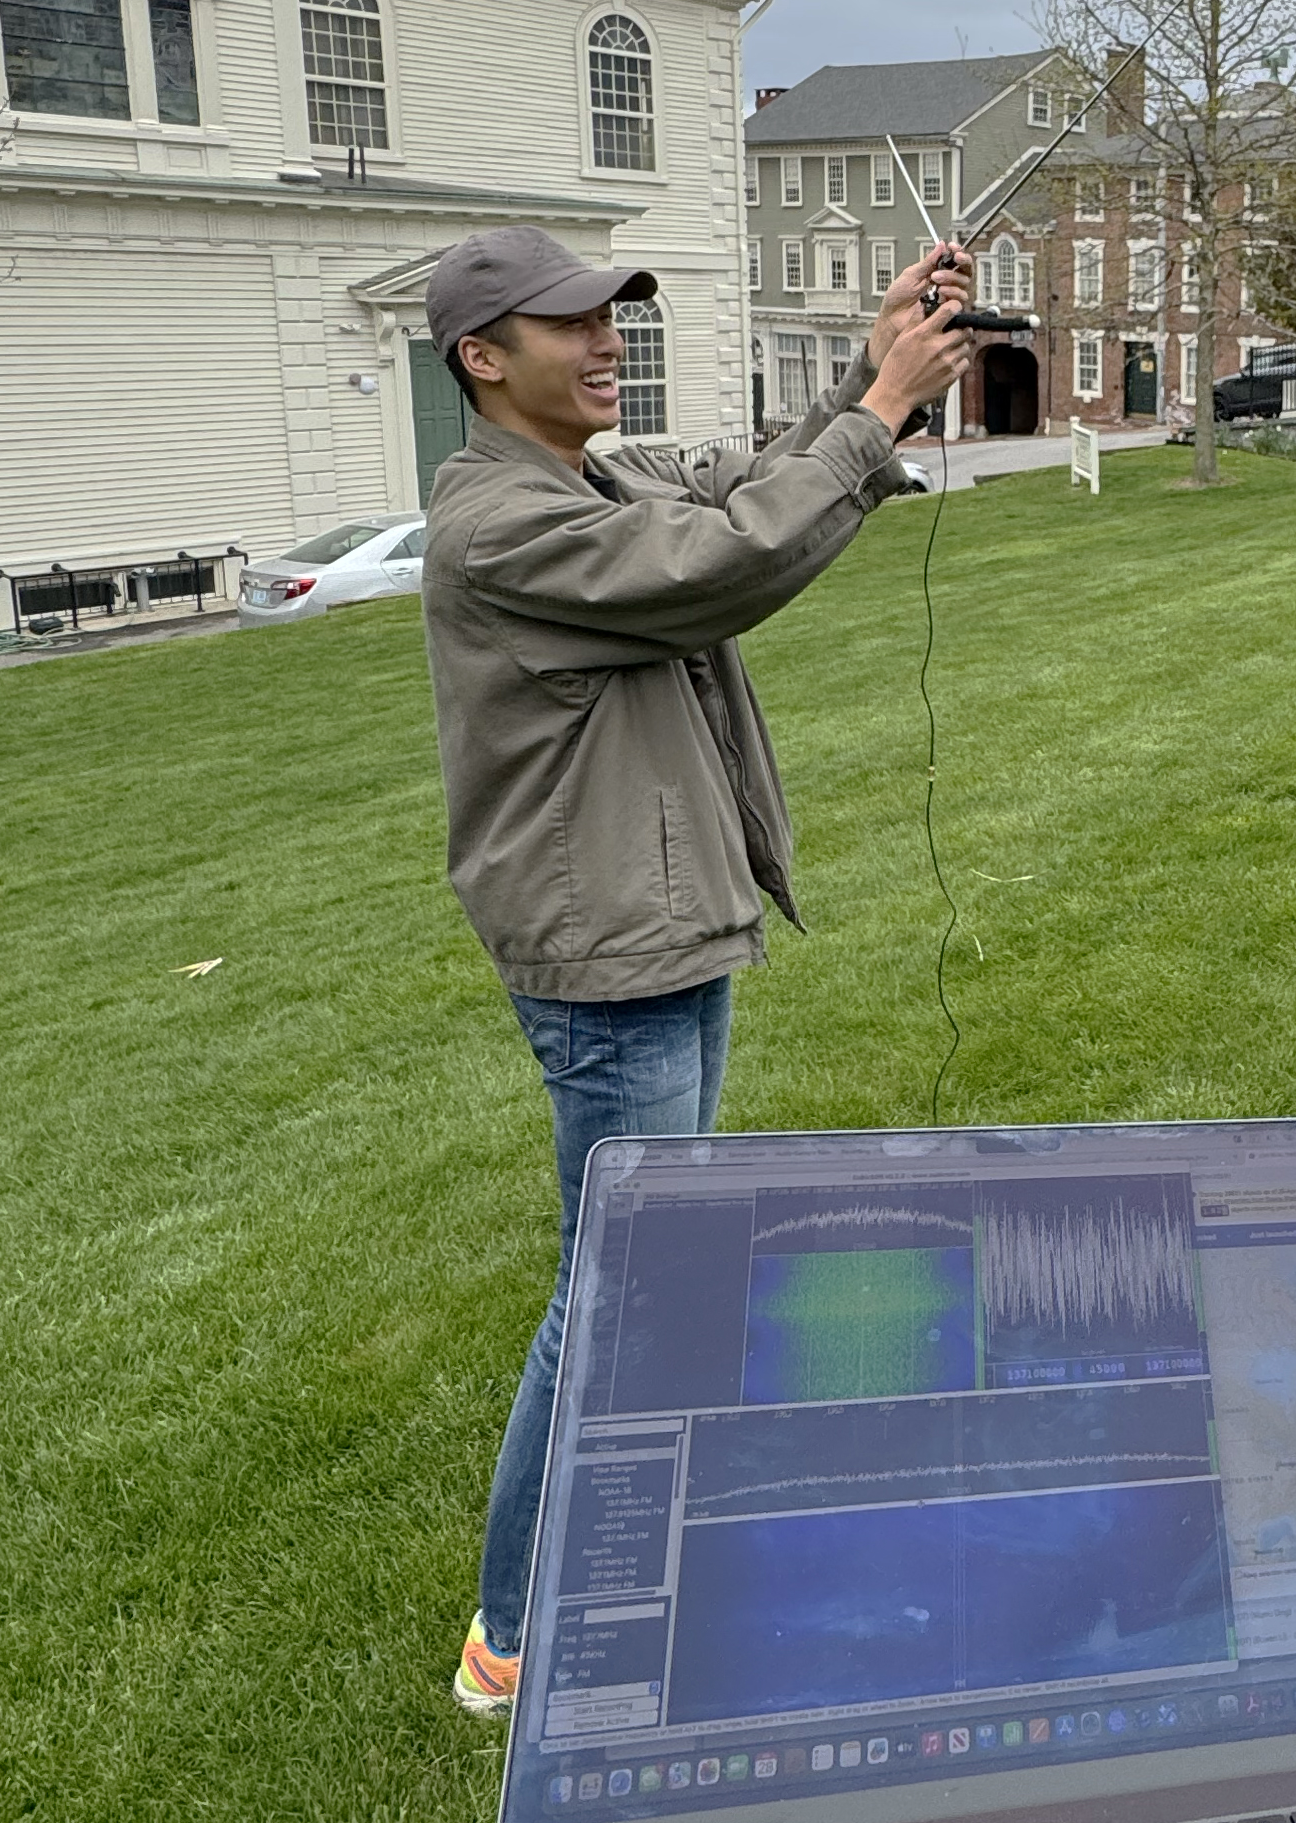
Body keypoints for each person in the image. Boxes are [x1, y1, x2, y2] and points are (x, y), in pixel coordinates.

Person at [418, 225, 975, 1712]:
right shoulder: (499, 525)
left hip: (660, 922)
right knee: (620, 1291)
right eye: (571, 327)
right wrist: (879, 417)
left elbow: (742, 487)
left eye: (612, 320)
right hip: (610, 954)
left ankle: (632, 1554)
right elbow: (723, 563)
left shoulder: (595, 477)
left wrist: (872, 371)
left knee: (654, 1273)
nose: (607, 344)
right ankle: (514, 1634)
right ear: (485, 359)